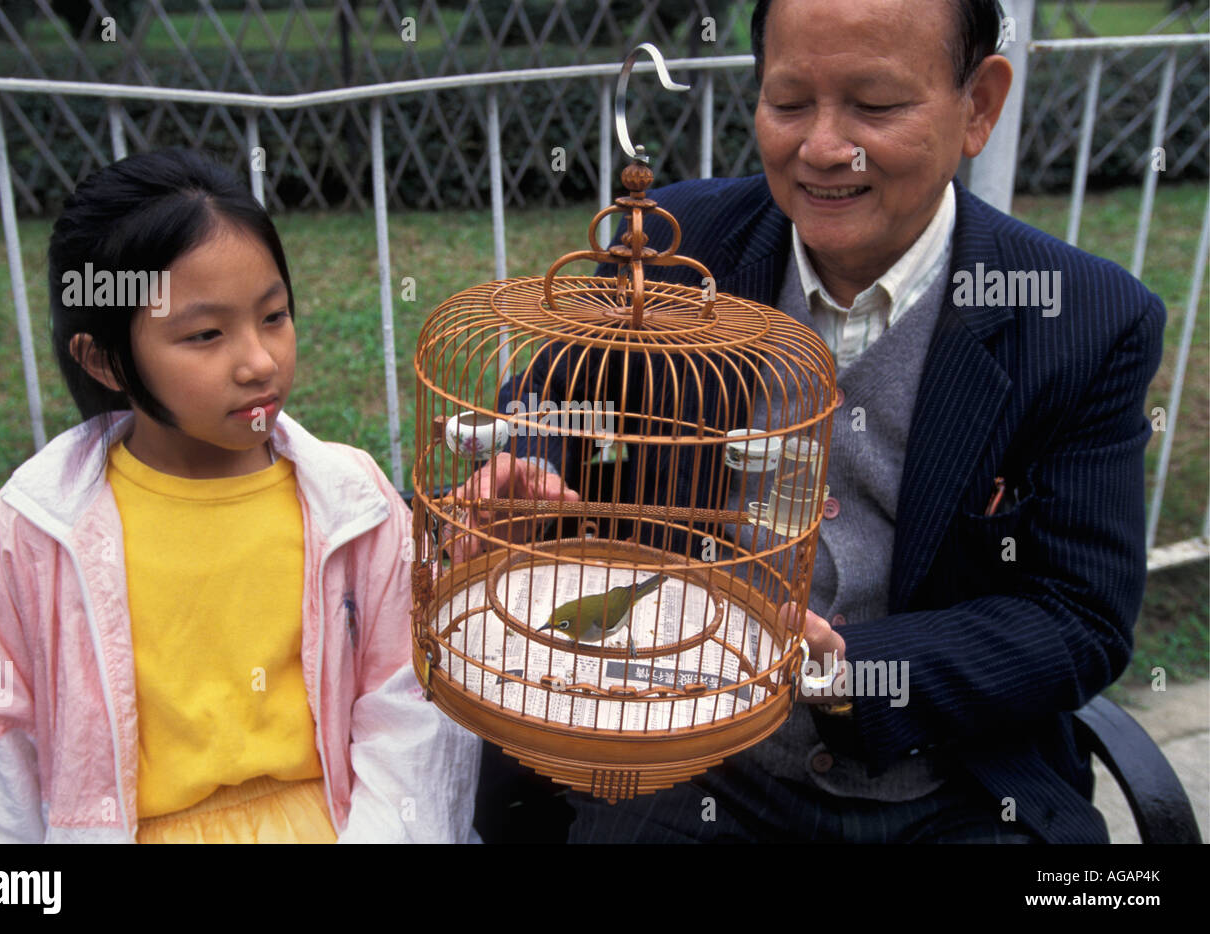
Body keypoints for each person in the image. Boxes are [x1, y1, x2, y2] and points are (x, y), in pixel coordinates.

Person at [464, 0, 1166, 843]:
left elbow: (1076, 616)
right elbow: (558, 393)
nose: (825, 147)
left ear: (978, 104)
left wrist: (845, 673)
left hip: (953, 786)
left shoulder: (1080, 318)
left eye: (875, 105)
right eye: (790, 102)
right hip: (696, 760)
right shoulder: (681, 247)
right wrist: (526, 462)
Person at [0, 149, 480, 843]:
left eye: (273, 316)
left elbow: (410, 709)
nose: (260, 361)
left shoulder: (352, 505)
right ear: (105, 360)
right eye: (205, 334)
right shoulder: (37, 528)